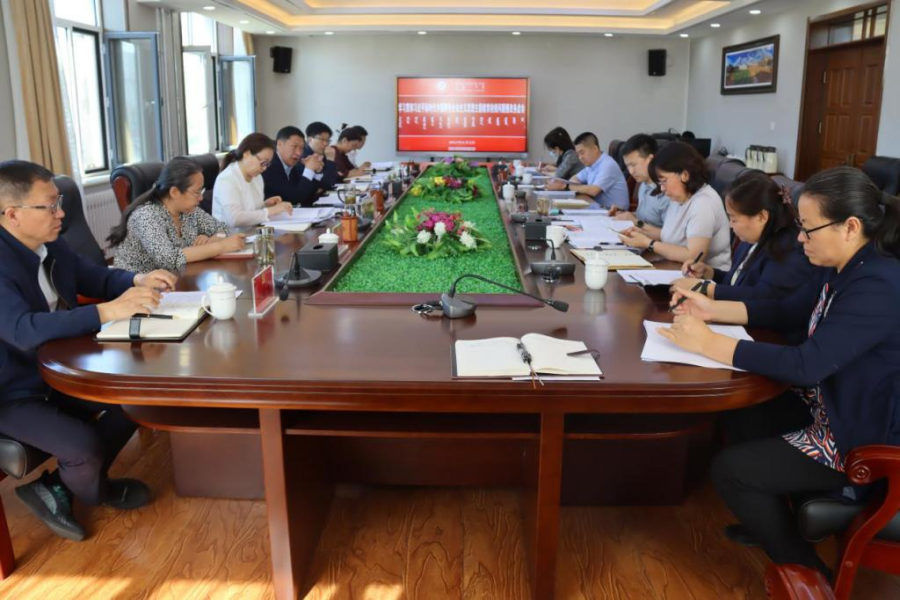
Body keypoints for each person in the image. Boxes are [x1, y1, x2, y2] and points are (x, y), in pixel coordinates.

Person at [661, 166, 900, 578]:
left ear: (850, 227)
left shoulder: (878, 284)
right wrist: (712, 309)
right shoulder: (840, 263)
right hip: (831, 402)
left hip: (863, 432)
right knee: (741, 413)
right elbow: (789, 309)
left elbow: (807, 364)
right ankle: (769, 520)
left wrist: (710, 344)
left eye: (808, 228)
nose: (800, 238)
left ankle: (809, 576)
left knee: (731, 472)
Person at [0, 160, 178, 541]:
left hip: (55, 368)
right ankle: (94, 490)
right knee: (84, 447)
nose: (61, 213)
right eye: (50, 205)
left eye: (59, 202)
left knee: (135, 397)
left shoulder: (50, 243)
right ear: (12, 214)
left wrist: (138, 279)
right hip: (12, 391)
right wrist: (106, 312)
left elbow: (91, 275)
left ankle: (57, 488)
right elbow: (22, 330)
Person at [672, 171, 816, 301]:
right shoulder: (750, 239)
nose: (730, 225)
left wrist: (704, 288)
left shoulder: (787, 248)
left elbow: (762, 296)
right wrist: (709, 273)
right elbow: (736, 283)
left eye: (734, 219)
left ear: (761, 217)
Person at [109, 157, 246, 273]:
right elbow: (169, 259)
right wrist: (220, 246)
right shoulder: (146, 215)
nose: (201, 198)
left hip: (177, 278)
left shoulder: (189, 211)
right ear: (174, 192)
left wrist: (213, 238)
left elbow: (223, 228)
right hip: (138, 286)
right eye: (196, 192)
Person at [619, 141, 731, 270]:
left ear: (685, 175)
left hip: (704, 277)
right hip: (674, 267)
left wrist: (648, 243)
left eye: (664, 181)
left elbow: (694, 256)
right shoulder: (679, 197)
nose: (662, 189)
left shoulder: (703, 204)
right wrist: (641, 231)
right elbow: (669, 235)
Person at [212, 132, 292, 227]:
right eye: (263, 162)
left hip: (253, 232)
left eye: (267, 164)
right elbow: (235, 219)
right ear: (246, 153)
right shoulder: (227, 179)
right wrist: (270, 211)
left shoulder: (257, 177)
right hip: (229, 235)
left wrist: (265, 205)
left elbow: (249, 210)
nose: (264, 168)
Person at [544, 132, 629, 210]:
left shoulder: (607, 164)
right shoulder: (591, 165)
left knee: (568, 204)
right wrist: (576, 187)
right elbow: (575, 178)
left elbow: (594, 191)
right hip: (601, 207)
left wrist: (565, 186)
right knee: (566, 202)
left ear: (595, 149)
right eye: (578, 154)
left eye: (582, 153)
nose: (580, 157)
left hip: (614, 212)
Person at [610, 133, 670, 228]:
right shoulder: (644, 184)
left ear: (650, 159)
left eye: (633, 165)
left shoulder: (668, 191)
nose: (631, 171)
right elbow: (645, 218)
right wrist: (626, 214)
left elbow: (669, 234)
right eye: (627, 166)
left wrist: (636, 221)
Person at [262, 126, 326, 207]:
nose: (298, 153)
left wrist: (316, 172)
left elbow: (308, 197)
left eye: (301, 148)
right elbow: (295, 198)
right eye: (294, 147)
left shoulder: (293, 166)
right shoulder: (270, 165)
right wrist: (309, 169)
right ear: (279, 144)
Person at [301, 121, 339, 198]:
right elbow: (327, 184)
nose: (325, 144)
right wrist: (330, 160)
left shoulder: (322, 154)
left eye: (328, 140)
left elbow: (331, 181)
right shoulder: (304, 157)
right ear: (310, 139)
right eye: (321, 139)